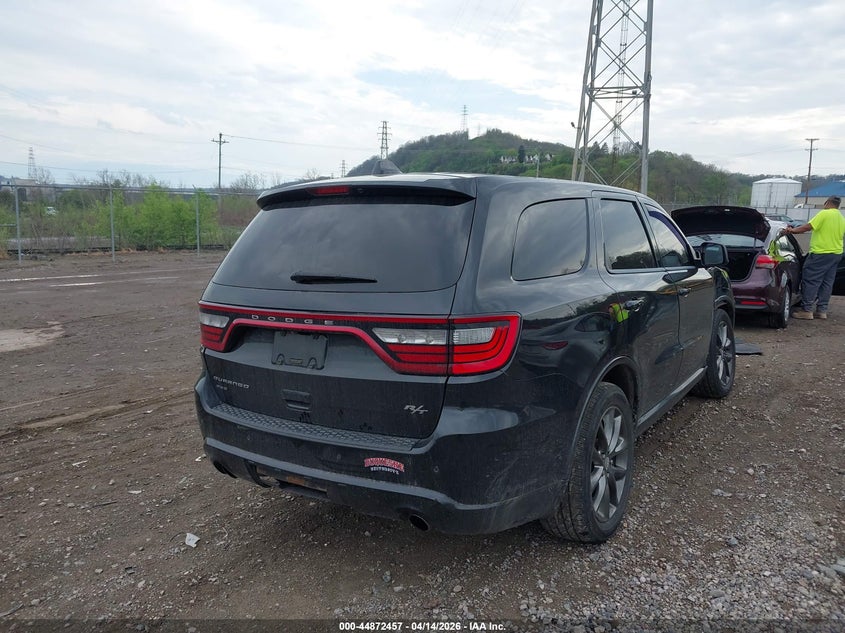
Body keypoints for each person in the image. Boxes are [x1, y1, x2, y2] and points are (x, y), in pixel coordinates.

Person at [781, 195, 845, 319]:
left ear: (827, 202)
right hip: (836, 254)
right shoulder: (841, 218)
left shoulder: (824, 214)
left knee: (811, 280)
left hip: (821, 253)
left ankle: (807, 310)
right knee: (827, 282)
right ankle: (822, 310)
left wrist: (792, 231)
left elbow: (808, 227)